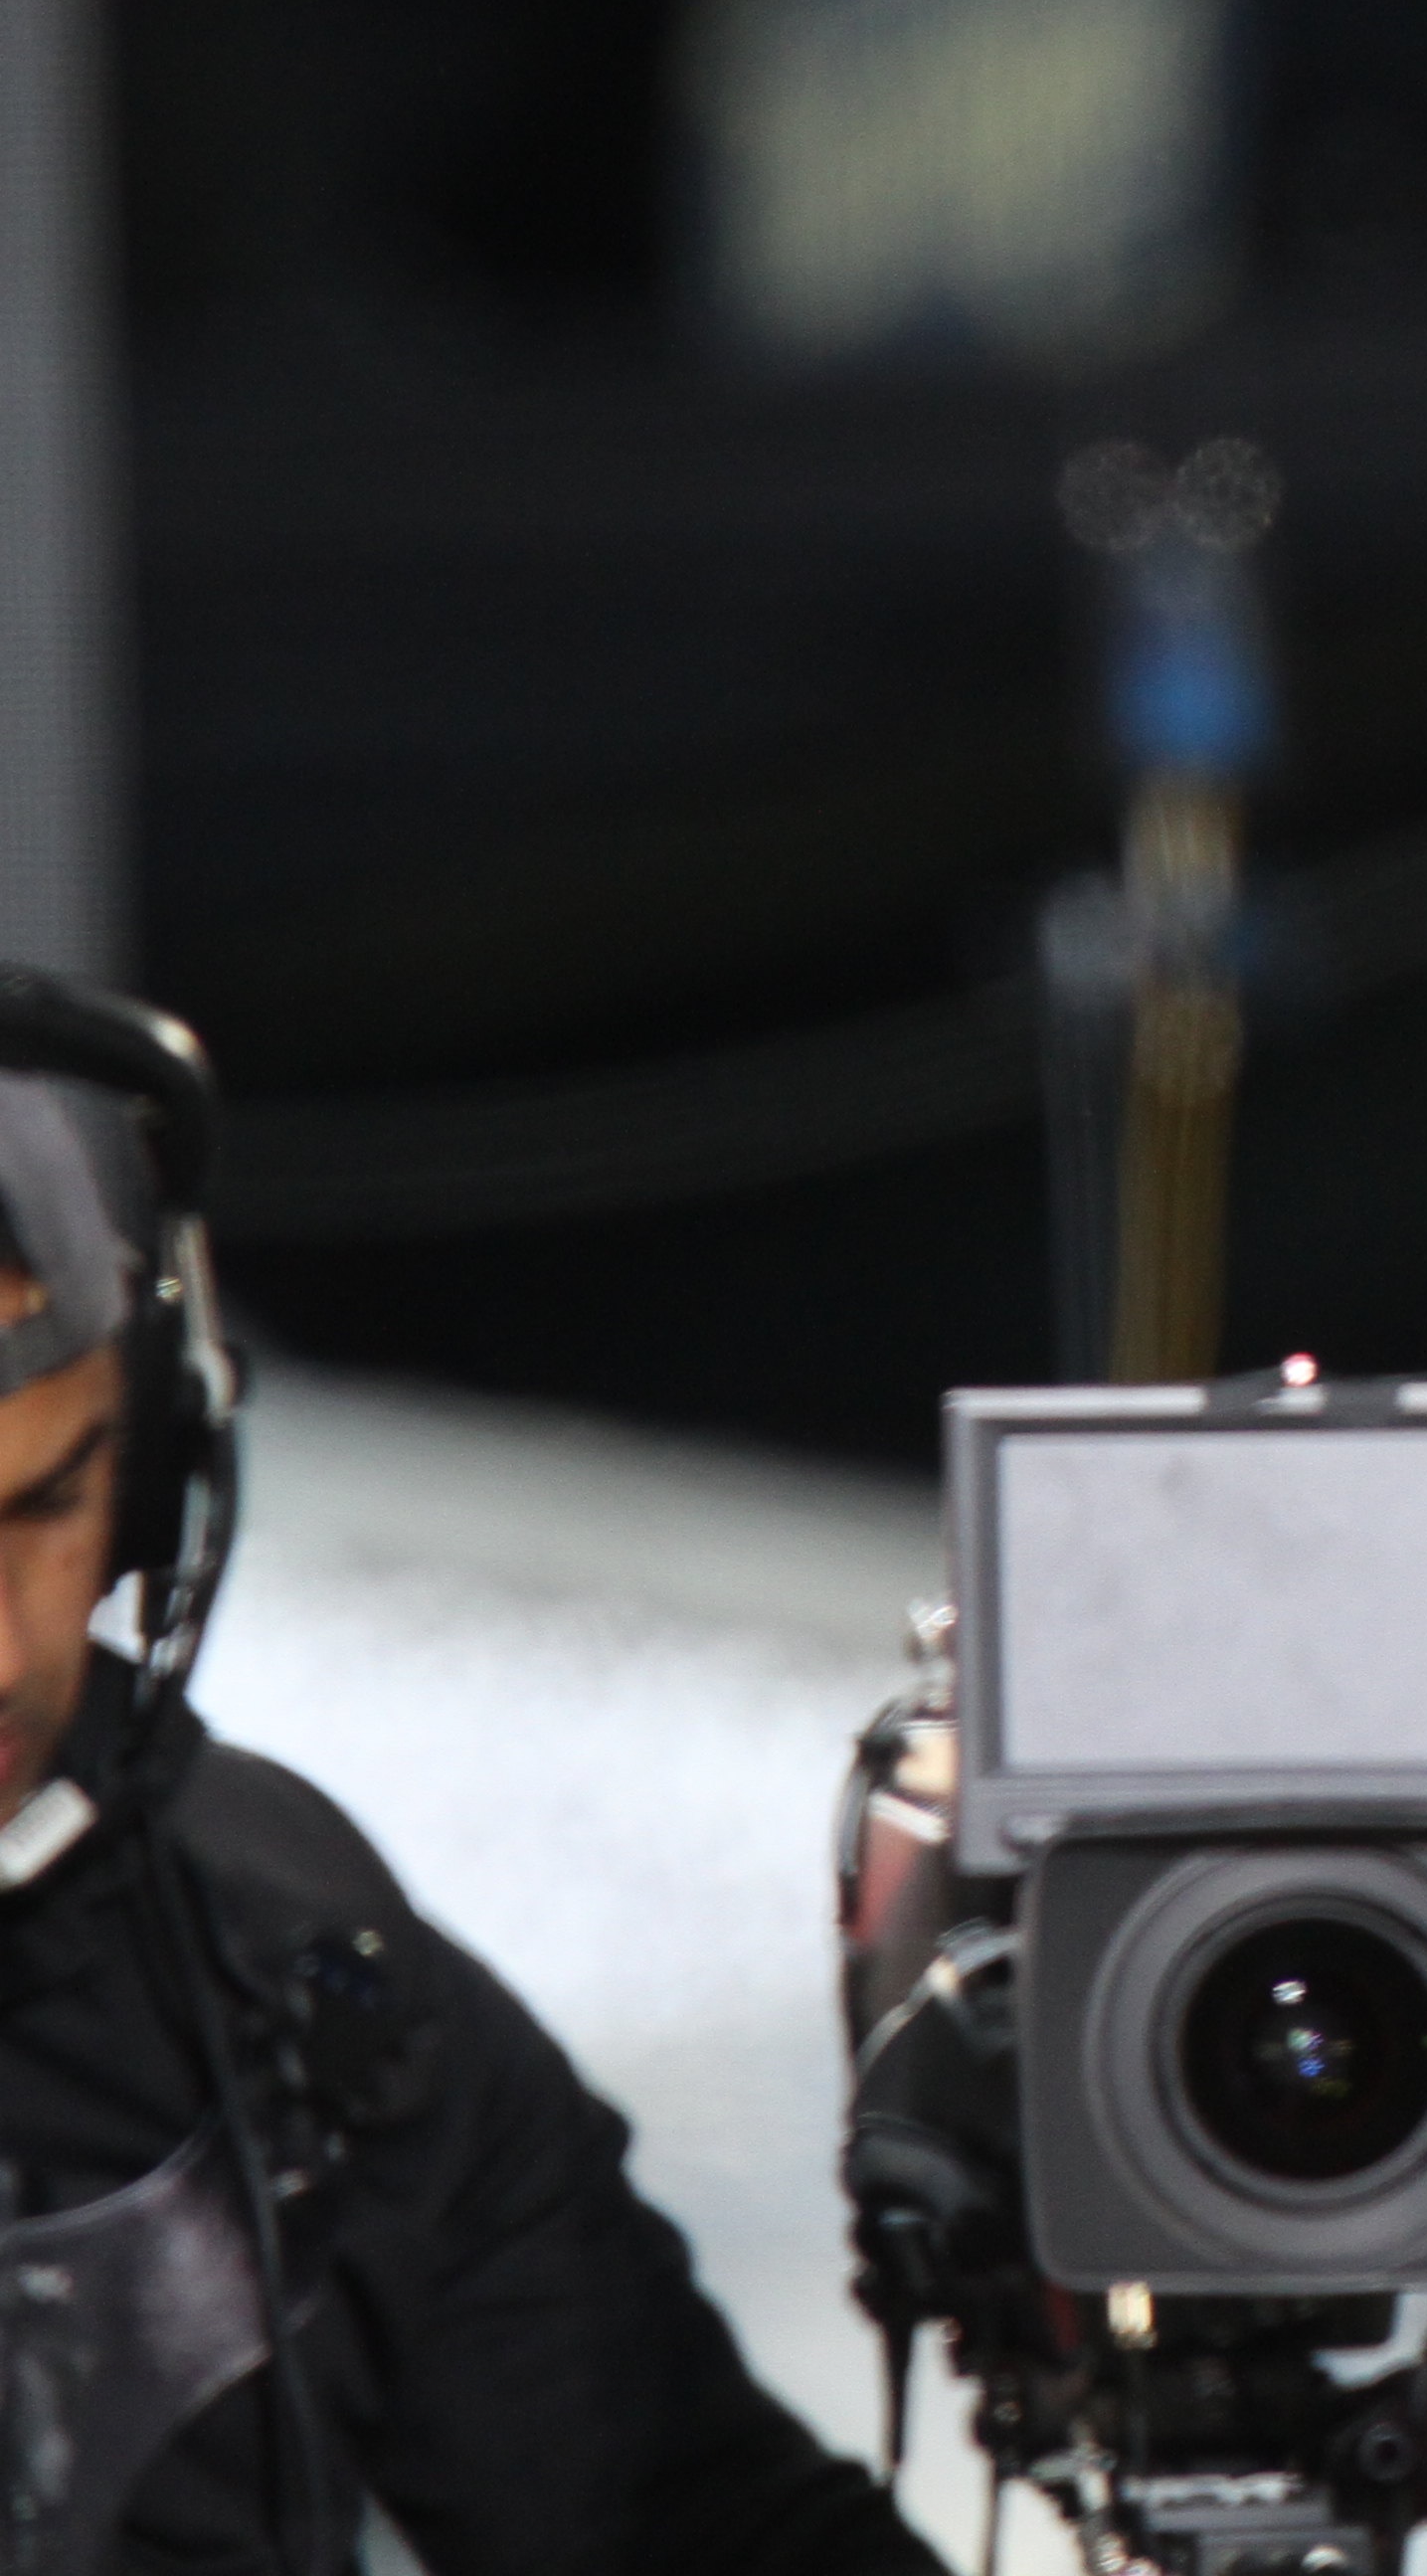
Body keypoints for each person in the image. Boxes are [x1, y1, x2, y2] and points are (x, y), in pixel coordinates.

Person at [0, 971, 942, 2575]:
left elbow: (696, 2524)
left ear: (158, 1470)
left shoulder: (295, 1986)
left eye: (49, 1501)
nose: (8, 1647)